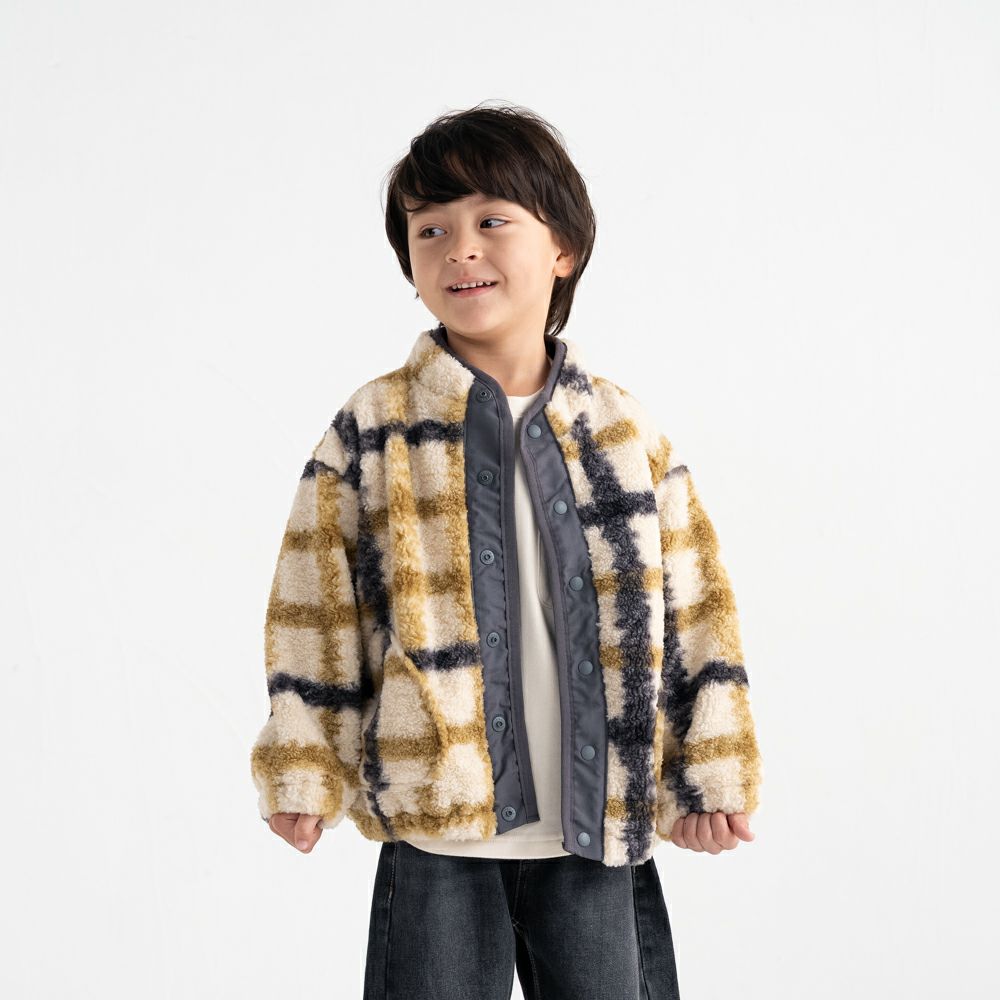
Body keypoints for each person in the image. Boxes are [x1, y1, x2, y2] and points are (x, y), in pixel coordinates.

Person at [250, 101, 763, 1000]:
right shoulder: (374, 429)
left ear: (563, 247)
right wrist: (306, 762)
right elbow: (316, 611)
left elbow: (696, 615)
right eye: (432, 230)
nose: (461, 249)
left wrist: (708, 772)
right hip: (437, 834)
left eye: (492, 221)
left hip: (597, 831)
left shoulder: (623, 431)